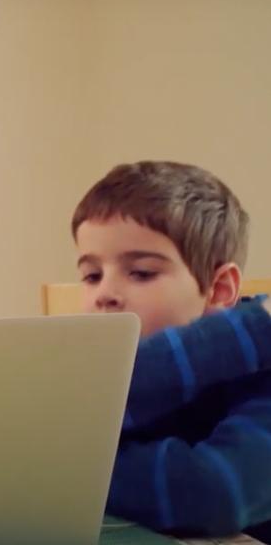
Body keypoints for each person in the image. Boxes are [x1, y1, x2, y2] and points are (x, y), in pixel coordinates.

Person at [73, 160, 271, 538]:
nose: (105, 295)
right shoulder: (109, 373)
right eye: (91, 276)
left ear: (220, 290)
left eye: (142, 272)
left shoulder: (261, 374)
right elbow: (76, 400)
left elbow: (216, 493)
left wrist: (65, 465)